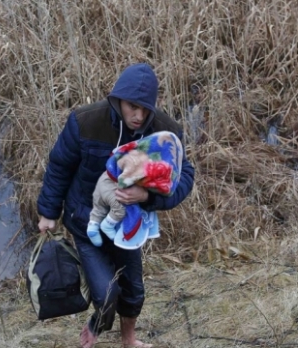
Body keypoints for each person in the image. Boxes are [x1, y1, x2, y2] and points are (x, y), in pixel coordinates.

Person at [36, 63, 195, 348]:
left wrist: (148, 198)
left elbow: (184, 177)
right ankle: (98, 321)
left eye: (145, 109)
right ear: (118, 100)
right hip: (86, 220)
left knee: (134, 292)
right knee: (107, 293)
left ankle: (129, 341)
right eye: (132, 106)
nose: (139, 116)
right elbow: (59, 165)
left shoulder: (165, 133)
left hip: (130, 227)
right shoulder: (86, 121)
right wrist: (49, 212)